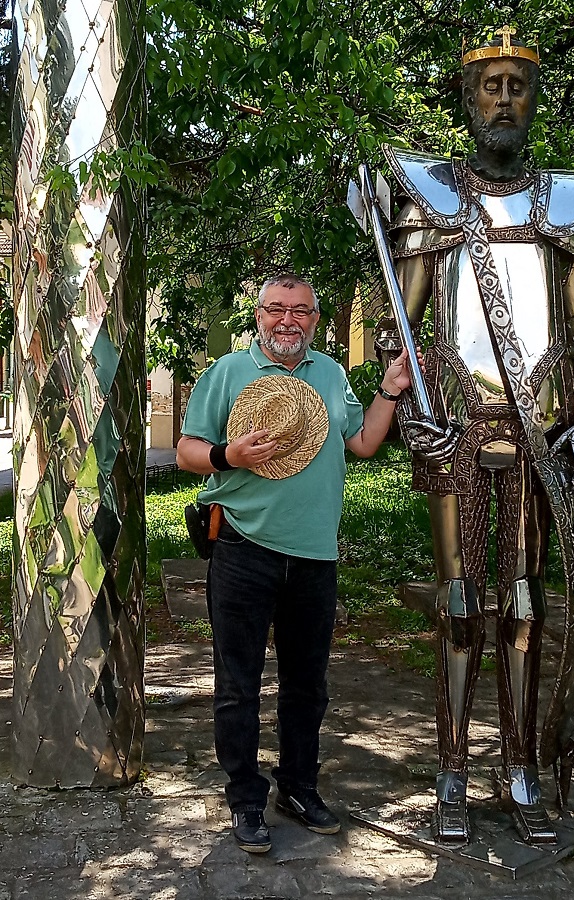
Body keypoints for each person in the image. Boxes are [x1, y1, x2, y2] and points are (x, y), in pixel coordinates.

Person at [373, 26, 574, 844]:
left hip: (538, 435)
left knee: (523, 603)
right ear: (467, 98)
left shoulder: (562, 205)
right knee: (457, 606)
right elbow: (397, 330)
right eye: (490, 86)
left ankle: (519, 767)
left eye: (517, 85)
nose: (504, 99)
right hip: (455, 428)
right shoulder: (433, 198)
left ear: (534, 98)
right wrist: (411, 414)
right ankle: (451, 767)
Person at [177, 273, 417, 853]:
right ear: (259, 315)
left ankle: (298, 787)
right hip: (243, 550)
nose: (288, 320)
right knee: (238, 686)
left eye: (301, 311)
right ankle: (245, 799)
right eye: (277, 309)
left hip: (314, 556)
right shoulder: (227, 373)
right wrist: (228, 455)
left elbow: (363, 442)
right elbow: (186, 451)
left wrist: (390, 389)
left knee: (307, 687)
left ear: (314, 318)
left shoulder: (330, 373)